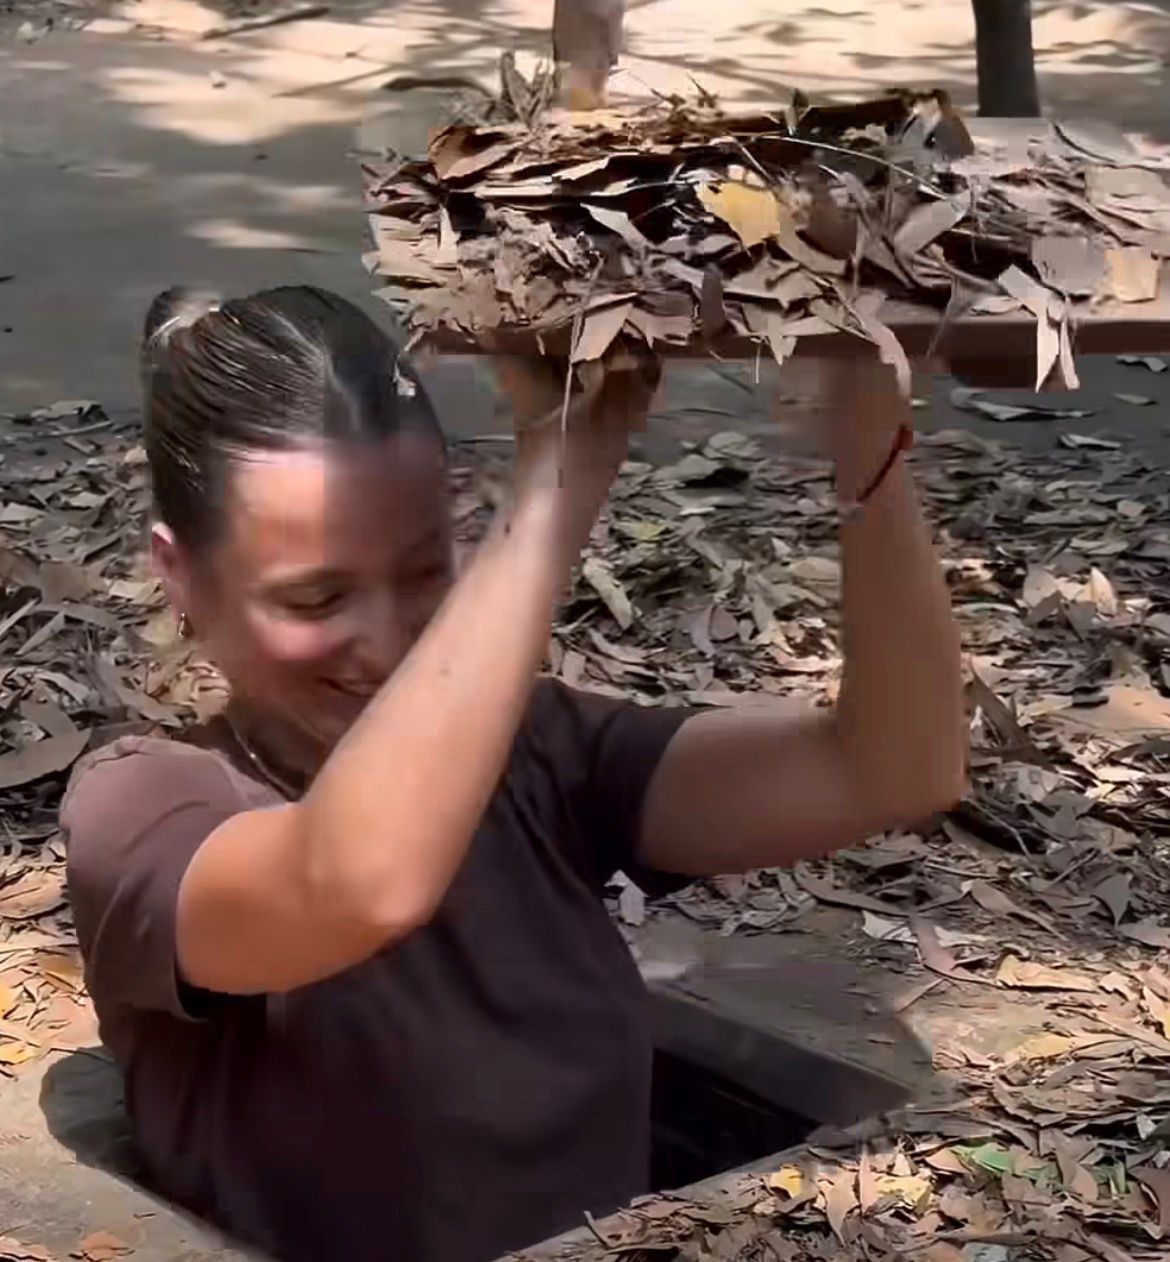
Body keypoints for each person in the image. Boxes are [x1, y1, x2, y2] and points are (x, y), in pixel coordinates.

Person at [62, 285, 965, 1262]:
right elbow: (358, 879)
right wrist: (561, 476)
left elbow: (890, 767)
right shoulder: (145, 804)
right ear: (181, 574)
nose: (387, 641)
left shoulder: (536, 753)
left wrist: (868, 427)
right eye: (316, 595)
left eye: (422, 572)